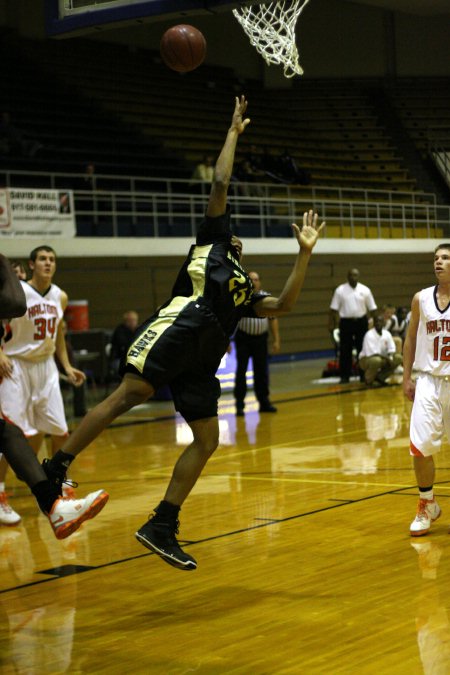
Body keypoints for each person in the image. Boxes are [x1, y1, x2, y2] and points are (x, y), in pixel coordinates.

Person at [41, 96, 325, 572]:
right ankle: (57, 467)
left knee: (208, 438)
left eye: (238, 243)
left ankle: (162, 523)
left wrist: (305, 255)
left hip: (203, 358)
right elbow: (220, 181)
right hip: (181, 326)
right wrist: (233, 133)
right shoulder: (211, 242)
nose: (235, 240)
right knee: (130, 394)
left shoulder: (243, 290)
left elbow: (286, 305)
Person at [0, 252, 108, 536]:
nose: (48, 263)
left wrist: (67, 365)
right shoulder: (18, 289)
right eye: (43, 258)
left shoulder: (60, 295)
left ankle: (59, 494)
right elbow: (5, 323)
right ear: (32, 264)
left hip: (46, 366)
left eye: (52, 258)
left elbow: (58, 333)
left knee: (58, 431)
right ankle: (3, 495)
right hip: (16, 364)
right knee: (12, 432)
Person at [404, 243, 450, 536]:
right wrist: (406, 376)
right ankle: (426, 504)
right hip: (428, 380)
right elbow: (409, 339)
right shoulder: (420, 298)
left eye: (445, 258)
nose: (439, 262)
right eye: (436, 258)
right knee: (419, 447)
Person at [233, 270, 280, 415]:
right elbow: (231, 320)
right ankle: (240, 404)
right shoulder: (239, 297)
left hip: (260, 339)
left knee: (261, 372)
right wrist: (226, 340)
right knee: (241, 372)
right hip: (243, 339)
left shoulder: (265, 298)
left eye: (257, 279)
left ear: (260, 282)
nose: (254, 282)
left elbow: (273, 319)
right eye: (251, 279)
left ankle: (264, 402)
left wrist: (276, 339)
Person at [328, 268, 378, 383]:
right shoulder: (340, 290)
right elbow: (333, 310)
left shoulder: (365, 290)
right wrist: (331, 324)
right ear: (347, 276)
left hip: (361, 322)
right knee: (345, 349)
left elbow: (373, 309)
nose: (353, 277)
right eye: (351, 275)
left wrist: (375, 324)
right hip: (346, 323)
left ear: (358, 276)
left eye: (355, 275)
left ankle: (362, 375)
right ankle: (344, 376)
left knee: (362, 349)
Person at [358, 314, 403, 386]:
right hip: (366, 359)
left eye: (380, 321)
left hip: (383, 358)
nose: (378, 323)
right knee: (376, 360)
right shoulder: (369, 335)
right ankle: (368, 379)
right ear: (374, 323)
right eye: (376, 321)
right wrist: (388, 359)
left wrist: (390, 357)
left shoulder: (387, 333)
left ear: (384, 323)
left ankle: (380, 377)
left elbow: (391, 349)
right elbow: (373, 354)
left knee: (398, 358)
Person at [109, 310, 139, 379]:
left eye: (134, 320)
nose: (132, 323)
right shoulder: (119, 331)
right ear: (125, 321)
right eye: (130, 321)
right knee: (129, 368)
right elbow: (124, 345)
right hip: (119, 358)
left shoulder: (139, 330)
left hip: (134, 358)